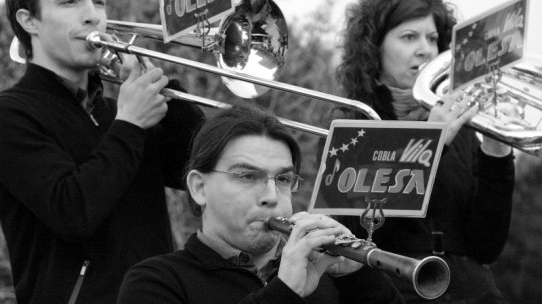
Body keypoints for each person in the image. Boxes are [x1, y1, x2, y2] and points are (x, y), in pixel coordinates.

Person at [0, 0, 205, 304]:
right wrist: (130, 123)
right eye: (70, 2)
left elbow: (200, 167)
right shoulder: (11, 114)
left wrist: (161, 87)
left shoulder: (120, 111)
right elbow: (72, 212)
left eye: (99, 1)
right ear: (29, 20)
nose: (92, 16)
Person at [333, 0, 515, 303]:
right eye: (409, 37)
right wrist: (432, 143)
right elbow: (356, 233)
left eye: (432, 39)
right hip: (394, 292)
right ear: (374, 49)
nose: (426, 49)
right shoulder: (355, 125)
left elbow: (487, 246)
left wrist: (496, 152)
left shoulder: (462, 128)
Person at [116, 106, 405, 304]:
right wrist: (284, 292)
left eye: (282, 179)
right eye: (247, 176)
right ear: (199, 188)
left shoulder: (324, 277)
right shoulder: (155, 282)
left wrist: (359, 278)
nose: (270, 195)